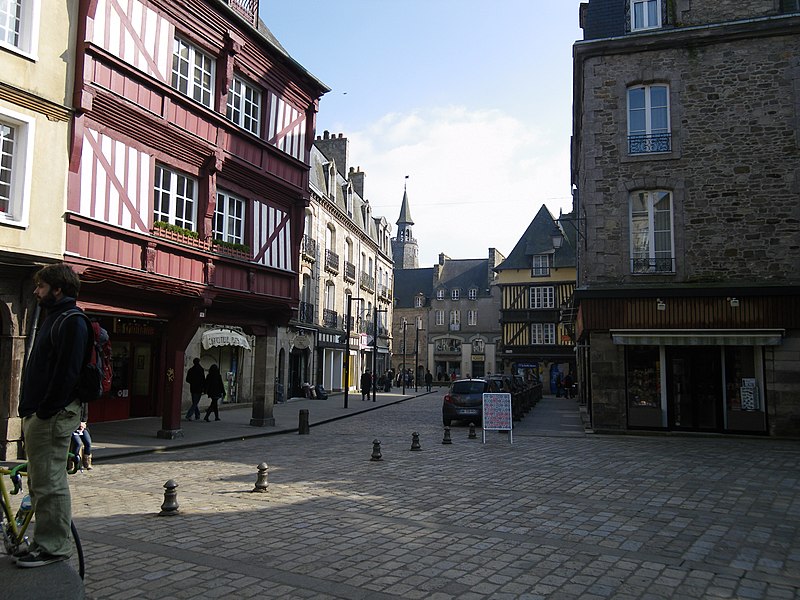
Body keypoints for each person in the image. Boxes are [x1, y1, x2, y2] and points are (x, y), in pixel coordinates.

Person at [17, 264, 88, 568]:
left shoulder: (72, 321)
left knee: (50, 483)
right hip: (41, 413)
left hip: (52, 416)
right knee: (40, 482)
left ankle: (53, 547)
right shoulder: (54, 318)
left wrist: (45, 410)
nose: (36, 291)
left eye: (41, 286)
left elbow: (66, 373)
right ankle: (44, 540)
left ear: (58, 289)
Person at [69, 403, 93, 471]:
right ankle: (73, 462)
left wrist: (83, 423)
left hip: (82, 427)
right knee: (78, 443)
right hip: (72, 427)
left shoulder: (84, 402)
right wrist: (77, 423)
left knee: (88, 442)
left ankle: (87, 462)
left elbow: (85, 414)